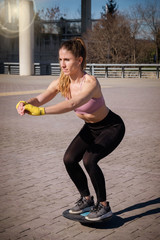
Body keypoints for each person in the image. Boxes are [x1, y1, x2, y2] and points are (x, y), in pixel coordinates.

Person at [16, 38, 125, 221]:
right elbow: (40, 98)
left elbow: (72, 103)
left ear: (79, 60)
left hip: (111, 127)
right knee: (69, 159)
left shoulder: (90, 82)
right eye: (60, 59)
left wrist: (41, 112)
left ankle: (104, 206)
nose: (62, 64)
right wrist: (26, 103)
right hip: (90, 128)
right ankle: (86, 199)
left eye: (67, 59)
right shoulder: (62, 82)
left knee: (89, 160)